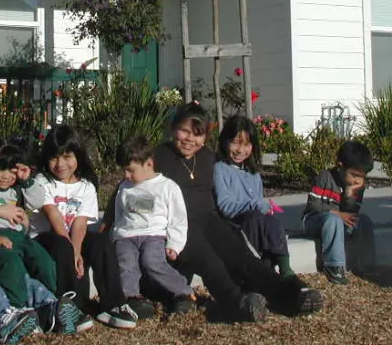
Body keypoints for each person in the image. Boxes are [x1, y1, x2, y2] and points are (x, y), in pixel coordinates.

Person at [152, 103, 325, 322]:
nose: (189, 139)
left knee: (242, 257)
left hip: (209, 221)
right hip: (177, 227)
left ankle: (291, 293)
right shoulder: (159, 156)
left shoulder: (207, 158)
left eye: (197, 134)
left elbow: (231, 186)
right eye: (184, 131)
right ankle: (238, 303)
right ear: (172, 128)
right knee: (210, 261)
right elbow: (129, 185)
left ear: (205, 137)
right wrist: (109, 221)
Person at [0, 140, 82, 335]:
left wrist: (27, 179)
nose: (5, 176)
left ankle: (51, 304)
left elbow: (37, 200)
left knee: (44, 261)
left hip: (20, 237)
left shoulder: (18, 187)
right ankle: (18, 308)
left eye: (11, 170)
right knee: (11, 263)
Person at [25, 125, 137, 330]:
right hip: (45, 238)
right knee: (62, 245)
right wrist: (72, 252)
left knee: (101, 242)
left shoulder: (86, 186)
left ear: (78, 156)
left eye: (67, 156)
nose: (60, 164)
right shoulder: (43, 181)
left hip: (71, 238)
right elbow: (54, 217)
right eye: (54, 157)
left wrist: (77, 251)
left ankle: (113, 304)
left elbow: (80, 225)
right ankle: (72, 308)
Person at [106, 134, 195, 317]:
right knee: (126, 265)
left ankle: (183, 291)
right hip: (126, 237)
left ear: (149, 163)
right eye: (124, 171)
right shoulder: (125, 187)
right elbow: (120, 214)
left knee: (152, 261)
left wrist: (174, 245)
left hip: (154, 235)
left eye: (131, 170)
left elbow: (178, 219)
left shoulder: (167, 187)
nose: (126, 175)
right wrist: (114, 235)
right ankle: (132, 298)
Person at [214, 116, 295, 279]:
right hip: (234, 224)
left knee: (273, 221)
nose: (240, 150)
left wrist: (263, 208)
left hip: (254, 225)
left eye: (246, 144)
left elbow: (259, 207)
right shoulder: (220, 169)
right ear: (225, 141)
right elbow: (225, 206)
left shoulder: (253, 173)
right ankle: (264, 270)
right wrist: (255, 204)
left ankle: (285, 269)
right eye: (235, 142)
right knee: (256, 218)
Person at [302, 139, 376, 285]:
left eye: (361, 176)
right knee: (333, 220)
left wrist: (349, 193)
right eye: (354, 174)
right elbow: (313, 206)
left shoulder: (356, 186)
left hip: (338, 223)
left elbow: (352, 212)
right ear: (340, 167)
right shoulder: (325, 177)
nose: (357, 180)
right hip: (314, 220)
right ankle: (334, 266)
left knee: (364, 221)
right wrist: (336, 213)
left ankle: (365, 263)